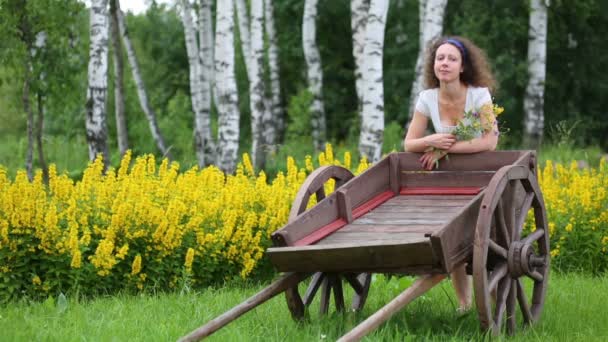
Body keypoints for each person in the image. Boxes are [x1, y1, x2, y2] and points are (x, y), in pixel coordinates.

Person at [403, 36, 499, 312]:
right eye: (440, 58)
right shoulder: (427, 98)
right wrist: (432, 141)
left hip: (480, 175)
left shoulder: (479, 95)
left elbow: (489, 141)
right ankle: (463, 303)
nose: (444, 63)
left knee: (480, 238)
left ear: (462, 66)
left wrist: (450, 147)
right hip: (444, 178)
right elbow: (409, 144)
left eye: (451, 59)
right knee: (450, 235)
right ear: (433, 65)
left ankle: (493, 302)